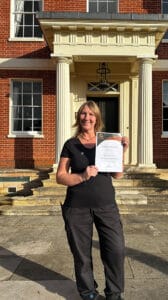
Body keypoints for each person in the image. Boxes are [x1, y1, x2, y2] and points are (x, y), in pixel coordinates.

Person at [56, 101, 129, 300]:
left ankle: (114, 293)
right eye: (83, 113)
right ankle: (88, 292)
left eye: (91, 114)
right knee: (81, 255)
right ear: (78, 117)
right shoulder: (71, 144)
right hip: (77, 208)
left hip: (106, 206)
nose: (86, 117)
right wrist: (82, 176)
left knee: (116, 250)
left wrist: (121, 151)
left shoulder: (107, 142)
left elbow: (117, 175)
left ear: (97, 118)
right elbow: (60, 176)